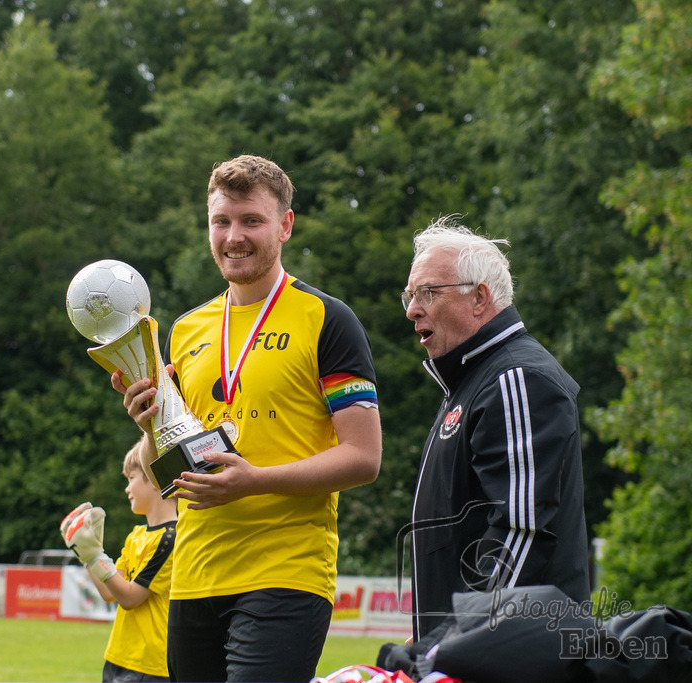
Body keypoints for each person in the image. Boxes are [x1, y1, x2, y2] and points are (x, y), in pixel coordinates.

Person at [112, 154, 383, 682]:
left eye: (251, 220)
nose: (234, 237)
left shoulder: (328, 319)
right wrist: (149, 425)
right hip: (194, 574)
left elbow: (363, 457)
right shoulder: (185, 329)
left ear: (285, 225)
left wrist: (255, 481)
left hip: (286, 572)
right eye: (222, 221)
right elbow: (166, 463)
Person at [401, 215, 590, 642]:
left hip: (514, 653)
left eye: (427, 292)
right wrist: (428, 632)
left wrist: (458, 637)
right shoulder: (472, 381)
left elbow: (521, 531)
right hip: (480, 646)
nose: (412, 310)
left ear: (480, 297)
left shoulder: (517, 378)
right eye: (410, 296)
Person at [60, 438, 177, 682]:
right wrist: (87, 554)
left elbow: (130, 598)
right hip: (120, 656)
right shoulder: (137, 535)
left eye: (131, 478)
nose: (127, 488)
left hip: (149, 663)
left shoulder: (169, 538)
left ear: (154, 480)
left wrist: (95, 555)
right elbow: (109, 592)